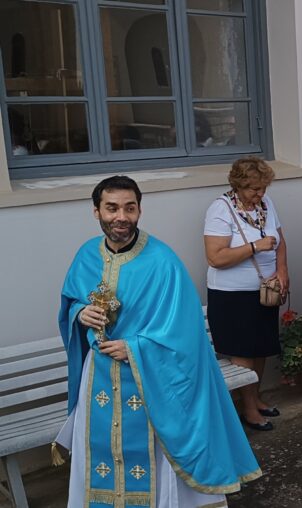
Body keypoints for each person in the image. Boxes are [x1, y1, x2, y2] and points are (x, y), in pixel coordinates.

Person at [58, 176, 262, 506]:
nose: (120, 216)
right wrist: (80, 313)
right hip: (97, 379)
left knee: (151, 459)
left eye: (129, 207)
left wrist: (135, 347)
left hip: (149, 381)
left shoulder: (163, 262)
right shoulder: (86, 256)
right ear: (96, 212)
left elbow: (185, 331)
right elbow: (71, 300)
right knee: (100, 451)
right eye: (111, 208)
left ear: (139, 210)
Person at [204, 156, 288, 430]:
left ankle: (257, 398)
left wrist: (282, 271)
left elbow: (280, 240)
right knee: (242, 352)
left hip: (264, 291)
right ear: (238, 185)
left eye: (263, 188)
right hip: (231, 296)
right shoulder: (220, 209)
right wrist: (255, 246)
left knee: (261, 348)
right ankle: (249, 409)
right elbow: (216, 257)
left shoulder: (266, 204)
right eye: (253, 188)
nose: (260, 193)